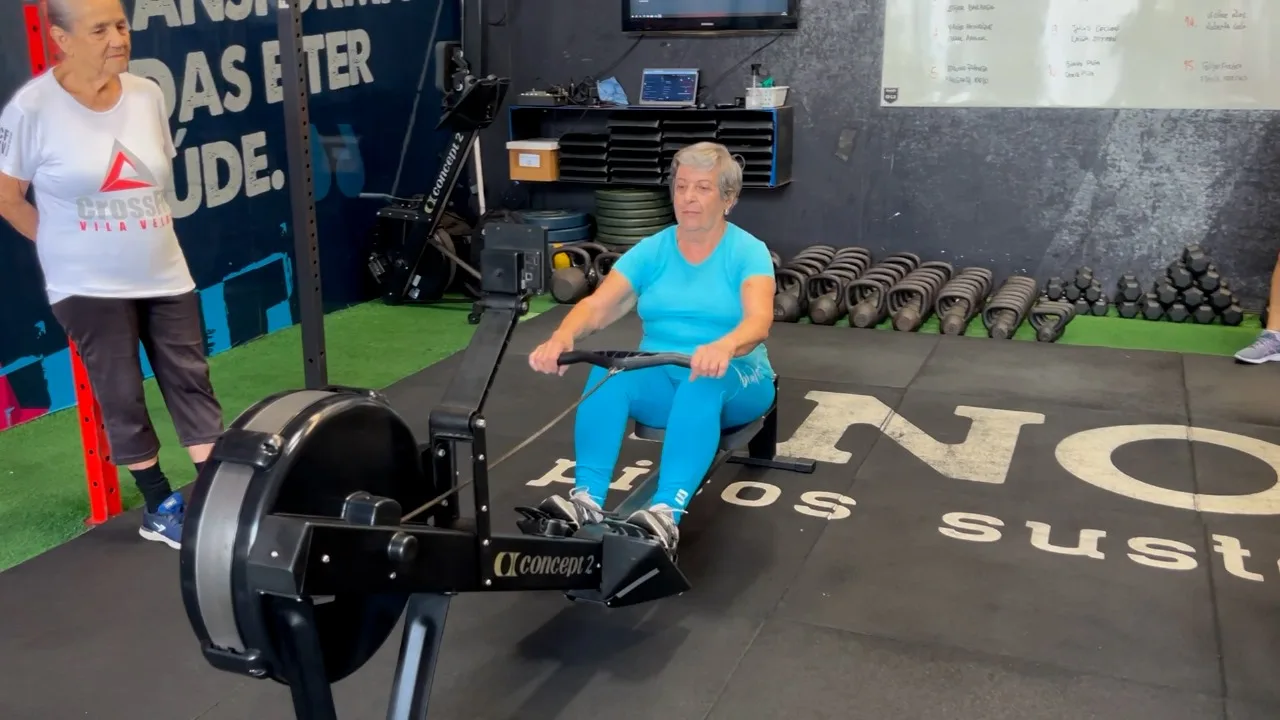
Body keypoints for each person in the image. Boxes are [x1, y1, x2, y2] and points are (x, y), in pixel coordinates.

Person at [0, 0, 223, 549]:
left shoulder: (146, 93)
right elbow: (8, 199)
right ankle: (159, 506)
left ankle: (218, 496)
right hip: (87, 288)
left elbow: (148, 182)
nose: (117, 38)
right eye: (99, 29)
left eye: (120, 25)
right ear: (62, 40)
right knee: (121, 393)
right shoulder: (32, 109)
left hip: (165, 272)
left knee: (191, 381)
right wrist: (63, 248)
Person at [528, 142, 777, 549]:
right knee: (607, 373)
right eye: (681, 187)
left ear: (728, 199)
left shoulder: (748, 251)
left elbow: (758, 321)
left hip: (736, 374)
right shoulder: (653, 249)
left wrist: (724, 346)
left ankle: (666, 514)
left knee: (702, 381)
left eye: (702, 188)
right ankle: (587, 499)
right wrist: (562, 337)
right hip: (662, 370)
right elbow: (597, 307)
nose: (689, 198)